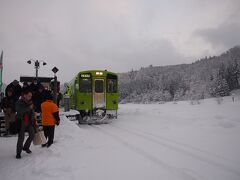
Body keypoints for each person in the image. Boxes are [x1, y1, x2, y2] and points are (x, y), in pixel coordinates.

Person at [15, 89, 36, 159]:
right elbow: (19, 110)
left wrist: (34, 120)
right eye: (29, 96)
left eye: (31, 96)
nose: (30, 97)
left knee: (32, 134)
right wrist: (28, 108)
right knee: (21, 138)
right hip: (21, 122)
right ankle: (18, 153)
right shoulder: (19, 102)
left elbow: (32, 112)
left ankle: (26, 147)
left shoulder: (31, 102)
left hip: (29, 122)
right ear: (24, 95)